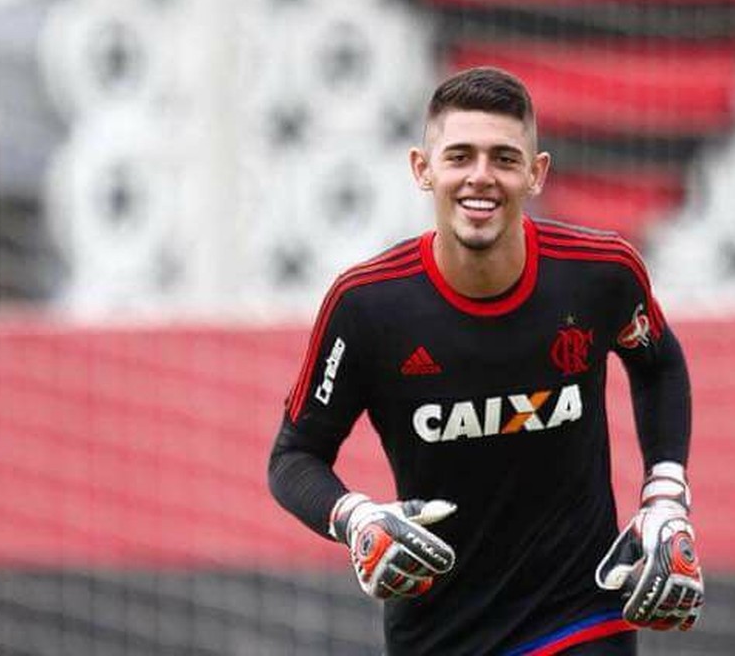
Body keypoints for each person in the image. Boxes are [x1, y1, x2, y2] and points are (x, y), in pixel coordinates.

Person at [268, 66, 704, 655]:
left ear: (536, 173)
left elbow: (658, 364)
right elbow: (294, 457)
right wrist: (357, 520)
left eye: (503, 157)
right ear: (423, 170)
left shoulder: (600, 274)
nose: (481, 177)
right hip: (439, 634)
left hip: (578, 616)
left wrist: (666, 494)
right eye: (460, 157)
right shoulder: (367, 306)